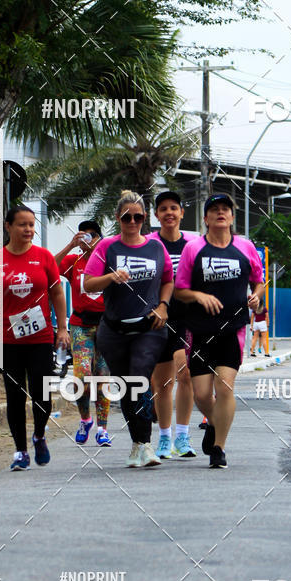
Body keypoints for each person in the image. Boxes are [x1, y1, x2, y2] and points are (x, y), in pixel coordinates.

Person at [84, 191, 174, 467]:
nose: (132, 221)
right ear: (118, 218)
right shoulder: (107, 248)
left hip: (149, 328)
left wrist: (163, 306)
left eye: (137, 217)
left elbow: (168, 279)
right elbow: (88, 284)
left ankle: (146, 444)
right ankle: (137, 444)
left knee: (139, 378)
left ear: (145, 218)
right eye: (126, 217)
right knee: (126, 386)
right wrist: (111, 277)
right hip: (114, 330)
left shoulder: (156, 248)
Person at [175, 193, 264, 469]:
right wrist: (199, 297)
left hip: (233, 328)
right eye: (214, 210)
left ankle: (219, 448)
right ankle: (214, 422)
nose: (220, 213)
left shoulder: (245, 247)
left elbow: (258, 281)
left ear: (232, 217)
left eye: (225, 209)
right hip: (200, 330)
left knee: (224, 385)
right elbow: (180, 290)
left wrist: (256, 297)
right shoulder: (194, 249)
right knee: (202, 394)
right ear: (206, 218)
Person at [0, 206, 69, 470]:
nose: (28, 230)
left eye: (31, 225)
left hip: (40, 338)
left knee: (42, 394)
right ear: (8, 227)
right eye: (22, 225)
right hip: (9, 342)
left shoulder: (43, 257)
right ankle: (20, 452)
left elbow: (57, 294)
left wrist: (62, 329)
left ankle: (39, 435)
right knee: (15, 396)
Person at [150, 190, 199, 459]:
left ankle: (182, 436)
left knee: (186, 374)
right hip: (159, 318)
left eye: (174, 208)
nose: (169, 213)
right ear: (156, 215)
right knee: (163, 383)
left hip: (188, 319)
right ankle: (164, 439)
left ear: (181, 213)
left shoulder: (193, 245)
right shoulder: (149, 245)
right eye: (163, 209)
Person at [55, 221, 112, 446]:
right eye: (84, 235)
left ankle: (102, 429)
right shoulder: (74, 261)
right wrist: (71, 245)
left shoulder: (109, 262)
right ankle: (85, 419)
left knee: (102, 377)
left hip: (106, 325)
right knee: (81, 376)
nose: (88, 239)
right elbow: (51, 267)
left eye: (93, 235)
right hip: (80, 324)